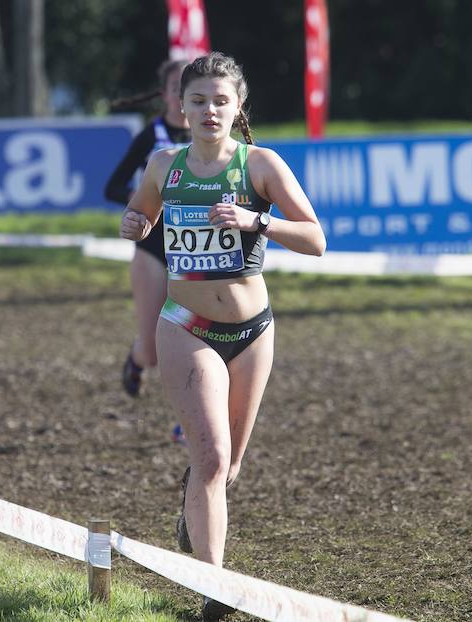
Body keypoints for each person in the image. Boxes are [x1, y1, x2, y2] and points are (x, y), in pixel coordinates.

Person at [119, 53, 326, 621]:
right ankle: (215, 589)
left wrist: (258, 221)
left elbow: (316, 238)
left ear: (238, 108)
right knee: (210, 456)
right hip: (185, 327)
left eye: (220, 101)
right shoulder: (164, 165)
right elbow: (138, 217)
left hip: (253, 331)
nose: (209, 110)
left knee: (229, 464)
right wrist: (135, 224)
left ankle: (193, 511)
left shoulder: (260, 164)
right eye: (197, 101)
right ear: (180, 107)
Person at [105, 60, 190, 398]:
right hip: (153, 246)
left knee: (200, 338)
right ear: (165, 95)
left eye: (192, 91)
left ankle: (192, 420)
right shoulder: (150, 138)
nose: (184, 98)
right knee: (154, 351)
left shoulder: (213, 140)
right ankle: (137, 360)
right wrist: (145, 199)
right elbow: (111, 187)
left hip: (197, 249)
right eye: (177, 89)